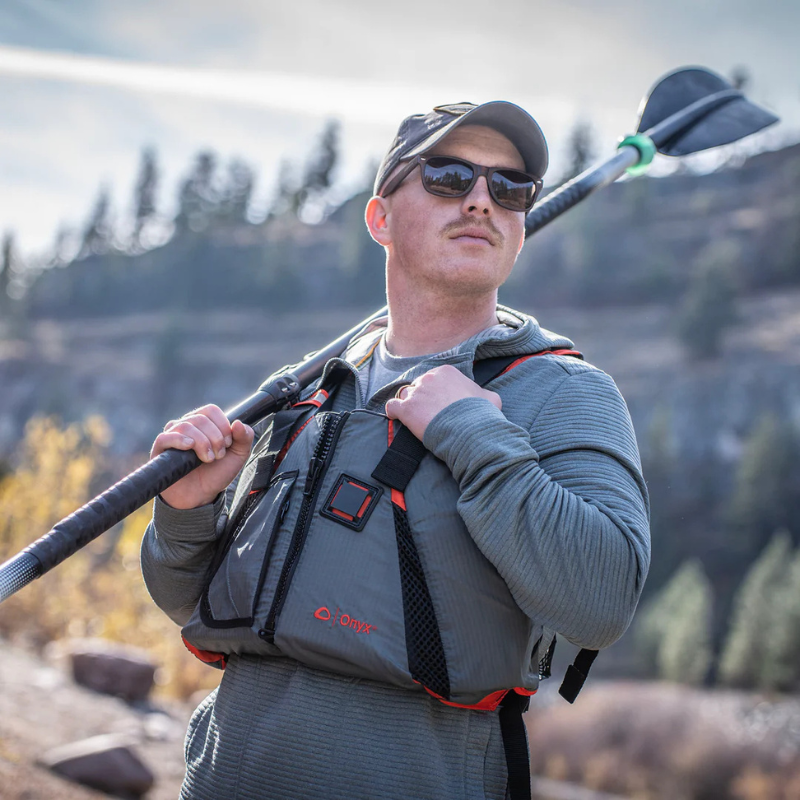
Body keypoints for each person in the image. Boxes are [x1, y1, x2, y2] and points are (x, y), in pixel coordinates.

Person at [141, 101, 650, 800]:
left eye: (510, 188)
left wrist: (475, 436)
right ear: (380, 219)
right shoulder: (307, 391)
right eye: (447, 176)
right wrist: (185, 513)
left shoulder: (565, 393)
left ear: (522, 226)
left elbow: (602, 601)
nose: (481, 199)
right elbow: (193, 603)